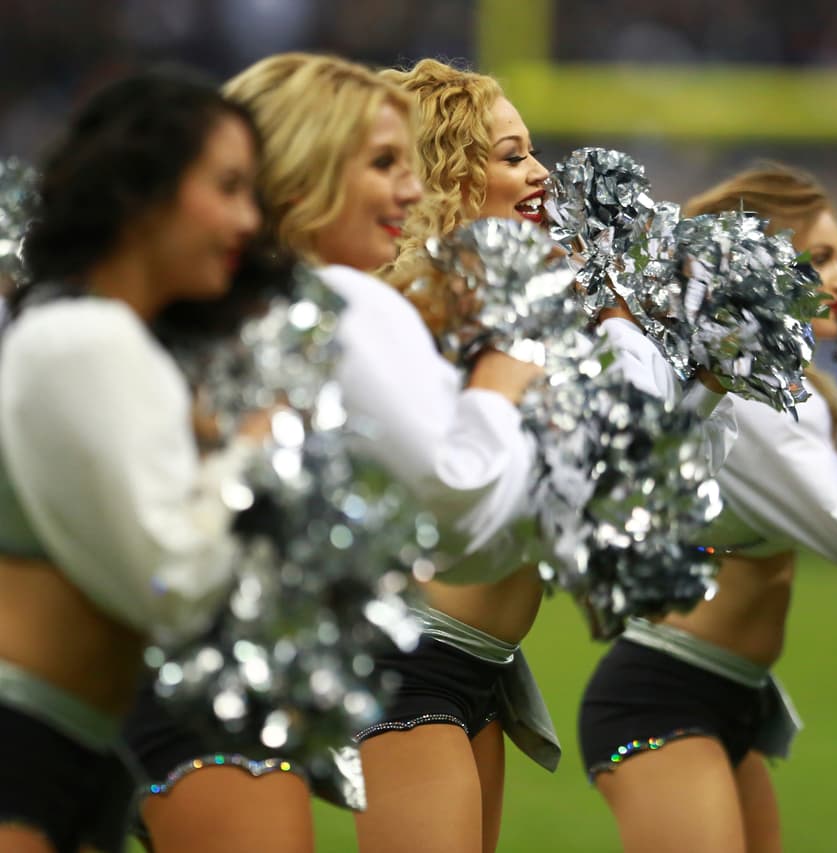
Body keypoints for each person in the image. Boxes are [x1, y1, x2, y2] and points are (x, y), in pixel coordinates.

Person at [123, 52, 545, 853]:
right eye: (383, 164)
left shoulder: (215, 297)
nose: (411, 189)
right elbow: (453, 505)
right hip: (219, 681)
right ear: (308, 167)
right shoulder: (337, 300)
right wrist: (502, 379)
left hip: (140, 677)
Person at [357, 58, 734, 853]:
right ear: (449, 173)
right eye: (511, 155)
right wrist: (622, 318)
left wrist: (705, 369)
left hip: (477, 665)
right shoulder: (428, 307)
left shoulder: (512, 296)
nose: (540, 174)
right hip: (410, 660)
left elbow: (608, 457)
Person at [575, 163, 837, 853]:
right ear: (756, 265)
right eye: (822, 258)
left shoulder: (792, 390)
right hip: (663, 695)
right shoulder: (749, 398)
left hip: (733, 694)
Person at [0, 68, 266, 853]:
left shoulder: (94, 333)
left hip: (69, 747)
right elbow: (172, 580)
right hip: (21, 746)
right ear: (142, 190)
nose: (247, 220)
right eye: (226, 186)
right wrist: (253, 449)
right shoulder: (88, 341)